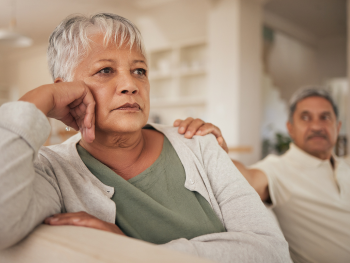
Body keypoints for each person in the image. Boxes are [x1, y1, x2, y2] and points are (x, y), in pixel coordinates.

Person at [0, 13, 290, 263]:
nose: (130, 84)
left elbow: (272, 251)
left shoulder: (199, 143)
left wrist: (132, 251)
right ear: (66, 89)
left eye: (139, 70)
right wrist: (36, 102)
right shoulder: (53, 170)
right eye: (105, 70)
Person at [176, 87, 350, 263]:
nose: (316, 126)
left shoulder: (346, 165)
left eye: (325, 117)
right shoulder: (278, 169)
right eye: (305, 117)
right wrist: (215, 153)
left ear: (338, 126)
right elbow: (249, 178)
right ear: (290, 128)